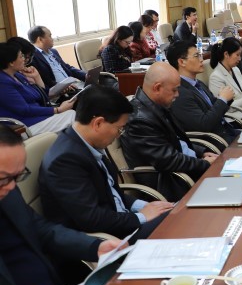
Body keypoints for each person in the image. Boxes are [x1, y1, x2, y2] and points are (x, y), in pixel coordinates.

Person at [0, 126, 121, 285]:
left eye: (17, 176)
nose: (11, 187)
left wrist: (94, 246)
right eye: (4, 179)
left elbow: (41, 229)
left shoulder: (7, 191)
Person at [39, 86, 173, 239]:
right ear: (98, 123)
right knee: (176, 222)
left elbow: (110, 194)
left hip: (120, 222)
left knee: (176, 212)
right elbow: (92, 219)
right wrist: (142, 217)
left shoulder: (86, 145)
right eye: (119, 129)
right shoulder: (65, 161)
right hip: (108, 240)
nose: (119, 135)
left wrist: (145, 206)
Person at [121, 63, 218, 201]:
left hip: (185, 172)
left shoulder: (157, 105)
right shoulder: (139, 120)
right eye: (174, 90)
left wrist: (200, 152)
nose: (177, 94)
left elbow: (175, 140)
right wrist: (205, 164)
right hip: (173, 183)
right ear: (157, 88)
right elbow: (168, 160)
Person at [165, 40, 239, 144]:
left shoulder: (198, 83)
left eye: (200, 55)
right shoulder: (180, 93)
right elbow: (204, 125)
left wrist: (226, 98)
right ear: (182, 62)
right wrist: (222, 100)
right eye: (196, 56)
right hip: (215, 141)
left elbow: (213, 108)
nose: (201, 59)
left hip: (226, 132)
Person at [0, 41, 76, 135]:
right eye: (21, 56)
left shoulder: (18, 75)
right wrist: (57, 110)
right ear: (11, 62)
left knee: (72, 115)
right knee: (71, 117)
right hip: (23, 125)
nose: (24, 59)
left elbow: (42, 97)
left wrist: (36, 77)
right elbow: (24, 110)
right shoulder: (3, 82)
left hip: (37, 117)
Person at [27, 26, 86, 94]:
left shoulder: (53, 51)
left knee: (94, 87)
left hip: (73, 86)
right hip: (60, 93)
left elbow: (67, 68)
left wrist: (85, 75)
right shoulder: (32, 57)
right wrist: (62, 86)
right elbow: (43, 80)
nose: (52, 39)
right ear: (40, 39)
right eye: (50, 36)